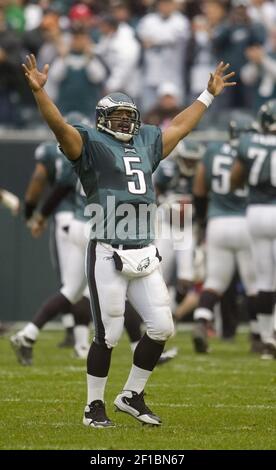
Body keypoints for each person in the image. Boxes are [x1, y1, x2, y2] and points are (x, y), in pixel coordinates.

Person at [21, 53, 235, 427]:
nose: (125, 121)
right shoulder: (88, 143)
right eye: (117, 115)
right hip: (107, 248)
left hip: (143, 249)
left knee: (162, 327)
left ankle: (131, 395)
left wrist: (207, 95)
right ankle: (93, 406)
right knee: (109, 334)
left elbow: (180, 127)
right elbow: (59, 127)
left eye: (129, 115)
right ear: (103, 119)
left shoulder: (147, 142)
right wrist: (41, 93)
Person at [192, 115, 260, 354]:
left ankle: (201, 321)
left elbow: (199, 189)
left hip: (217, 221)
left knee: (214, 281)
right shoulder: (255, 150)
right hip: (247, 221)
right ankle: (257, 334)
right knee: (254, 284)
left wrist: (201, 221)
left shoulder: (213, 151)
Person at [231, 99, 276, 359]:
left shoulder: (250, 143)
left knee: (264, 280)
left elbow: (236, 179)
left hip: (256, 212)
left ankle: (267, 337)